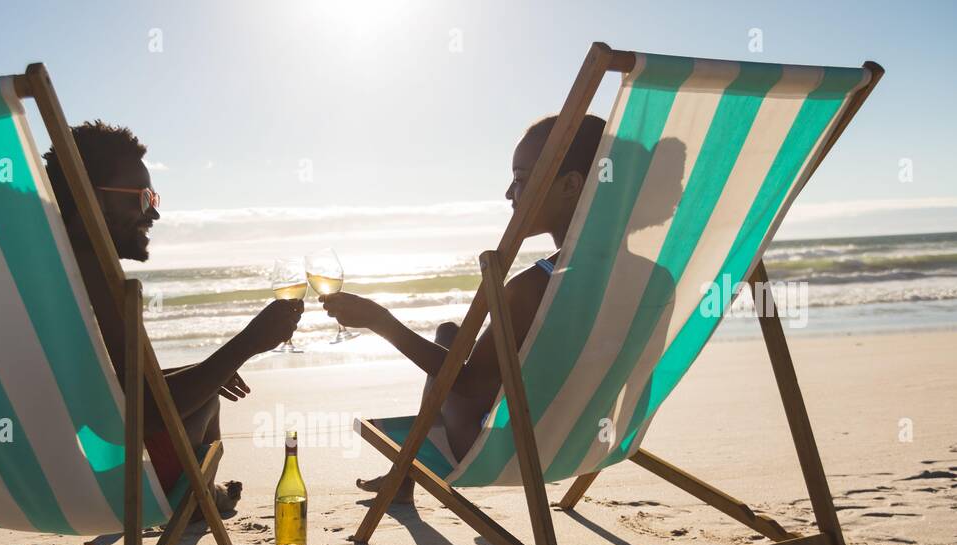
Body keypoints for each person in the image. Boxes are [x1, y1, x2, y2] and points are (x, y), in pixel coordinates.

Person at [320, 114, 608, 503]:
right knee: (449, 335)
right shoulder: (643, 276)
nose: (510, 193)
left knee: (451, 354)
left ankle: (402, 473)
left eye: (521, 178)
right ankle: (400, 476)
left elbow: (468, 385)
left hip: (510, 451)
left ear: (571, 185)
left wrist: (379, 320)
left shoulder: (533, 287)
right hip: (593, 438)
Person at [44, 121, 302, 509]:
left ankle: (206, 494)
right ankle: (200, 498)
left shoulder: (37, 285)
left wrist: (206, 369)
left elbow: (101, 392)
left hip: (17, 486)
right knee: (207, 399)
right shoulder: (97, 289)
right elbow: (143, 414)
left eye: (154, 198)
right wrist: (248, 343)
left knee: (205, 382)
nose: (153, 215)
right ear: (91, 200)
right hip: (102, 490)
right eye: (142, 198)